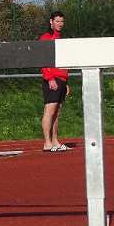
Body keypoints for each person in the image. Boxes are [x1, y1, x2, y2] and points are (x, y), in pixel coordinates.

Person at [40, 11, 70, 152]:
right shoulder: (46, 38)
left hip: (62, 80)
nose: (60, 24)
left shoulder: (60, 39)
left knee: (57, 112)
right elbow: (43, 61)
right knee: (50, 111)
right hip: (52, 80)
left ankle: (55, 141)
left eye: (62, 21)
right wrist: (50, 78)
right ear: (51, 22)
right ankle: (47, 143)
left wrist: (66, 81)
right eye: (57, 21)